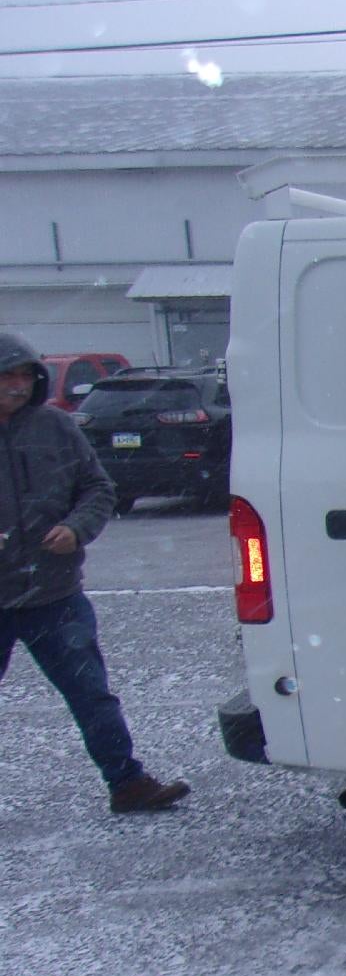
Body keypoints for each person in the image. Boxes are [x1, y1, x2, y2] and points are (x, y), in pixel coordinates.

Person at [0, 330, 188, 813]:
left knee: (92, 696)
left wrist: (75, 529)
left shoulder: (56, 428)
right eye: (6, 377)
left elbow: (97, 490)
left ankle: (128, 784)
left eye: (23, 376)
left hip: (55, 595)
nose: (15, 386)